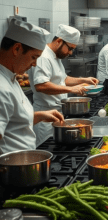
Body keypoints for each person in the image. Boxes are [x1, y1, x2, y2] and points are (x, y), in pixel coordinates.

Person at [0, 19, 64, 154]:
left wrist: (39, 116)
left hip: (24, 162)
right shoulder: (2, 87)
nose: (34, 64)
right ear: (16, 49)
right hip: (12, 169)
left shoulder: (11, 77)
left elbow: (13, 124)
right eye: (33, 57)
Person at [31, 24, 99, 146]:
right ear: (59, 41)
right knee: (47, 148)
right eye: (70, 48)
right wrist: (71, 89)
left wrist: (85, 80)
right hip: (44, 116)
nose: (71, 52)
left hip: (57, 113)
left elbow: (64, 79)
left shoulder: (55, 57)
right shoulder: (43, 57)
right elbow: (41, 85)